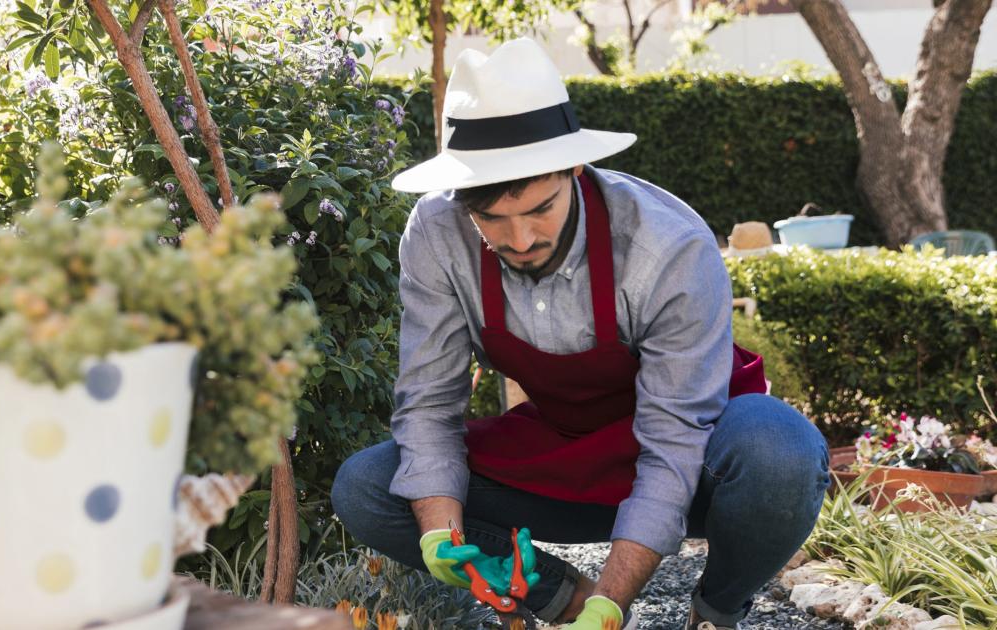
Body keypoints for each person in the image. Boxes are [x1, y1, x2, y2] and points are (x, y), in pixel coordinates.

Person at [331, 38, 829, 630]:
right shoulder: (438, 232)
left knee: (780, 451)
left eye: (540, 209)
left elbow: (673, 439)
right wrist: (441, 536)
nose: (520, 240)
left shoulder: (666, 246)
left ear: (573, 167)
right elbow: (429, 404)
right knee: (368, 486)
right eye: (491, 218)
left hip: (698, 457)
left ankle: (715, 610)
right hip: (563, 451)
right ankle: (565, 601)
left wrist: (613, 605)